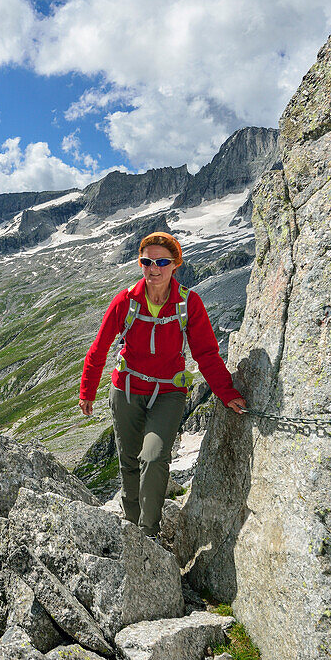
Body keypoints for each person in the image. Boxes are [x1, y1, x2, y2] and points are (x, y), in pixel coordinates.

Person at [79, 231, 245, 540]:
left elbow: (206, 353)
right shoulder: (126, 301)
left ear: (175, 265)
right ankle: (131, 529)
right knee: (128, 462)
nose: (153, 269)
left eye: (161, 262)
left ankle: (148, 534)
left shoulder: (188, 303)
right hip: (126, 391)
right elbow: (99, 348)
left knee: (153, 458)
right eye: (146, 262)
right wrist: (87, 391)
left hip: (169, 392)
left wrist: (227, 393)